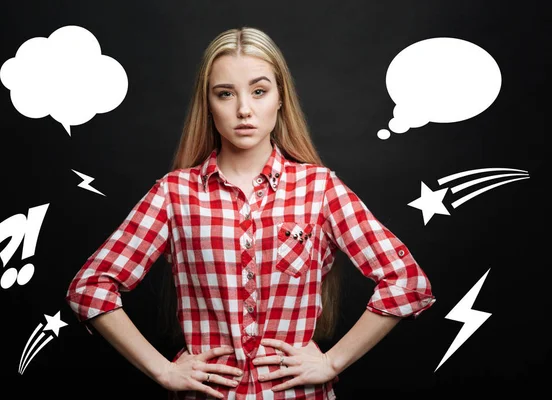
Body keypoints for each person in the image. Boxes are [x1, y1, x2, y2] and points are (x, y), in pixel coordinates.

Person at [65, 26, 436, 400]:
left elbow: (406, 283)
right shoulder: (174, 194)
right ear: (208, 104)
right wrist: (162, 369)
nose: (244, 109)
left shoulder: (319, 189)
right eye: (225, 94)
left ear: (280, 99)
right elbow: (90, 288)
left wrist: (333, 363)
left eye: (259, 91)